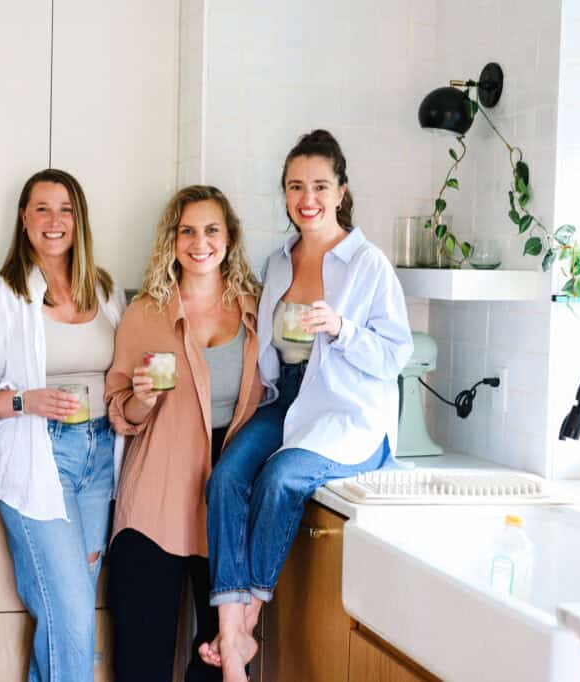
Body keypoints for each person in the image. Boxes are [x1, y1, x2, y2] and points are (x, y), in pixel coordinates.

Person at [197, 129, 413, 682]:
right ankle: (230, 627)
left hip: (346, 412)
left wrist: (341, 329)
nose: (307, 198)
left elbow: (396, 355)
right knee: (224, 479)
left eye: (319, 185)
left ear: (341, 191)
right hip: (288, 399)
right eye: (296, 186)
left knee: (283, 477)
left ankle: (244, 622)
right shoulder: (277, 261)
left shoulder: (368, 265)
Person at [0, 168, 126, 682]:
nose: (55, 221)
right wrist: (24, 400)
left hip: (99, 457)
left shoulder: (105, 289)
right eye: (42, 209)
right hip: (38, 456)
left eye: (66, 210)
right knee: (73, 614)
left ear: (80, 220)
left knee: (64, 614)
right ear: (23, 219)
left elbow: (119, 368)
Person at [105, 185, 263, 681]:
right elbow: (118, 410)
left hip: (229, 508)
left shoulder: (256, 310)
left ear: (230, 237)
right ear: (172, 241)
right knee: (141, 660)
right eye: (187, 231)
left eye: (211, 229)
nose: (200, 241)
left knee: (218, 658)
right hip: (156, 503)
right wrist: (143, 398)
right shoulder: (144, 313)